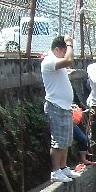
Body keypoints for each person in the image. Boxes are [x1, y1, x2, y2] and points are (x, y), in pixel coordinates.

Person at [40, 35, 80, 183]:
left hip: (65, 106)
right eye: (64, 50)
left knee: (66, 139)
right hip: (55, 106)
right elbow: (69, 60)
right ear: (57, 49)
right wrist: (70, 43)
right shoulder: (49, 61)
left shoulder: (56, 62)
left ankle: (63, 167)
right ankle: (56, 170)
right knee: (58, 140)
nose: (66, 53)